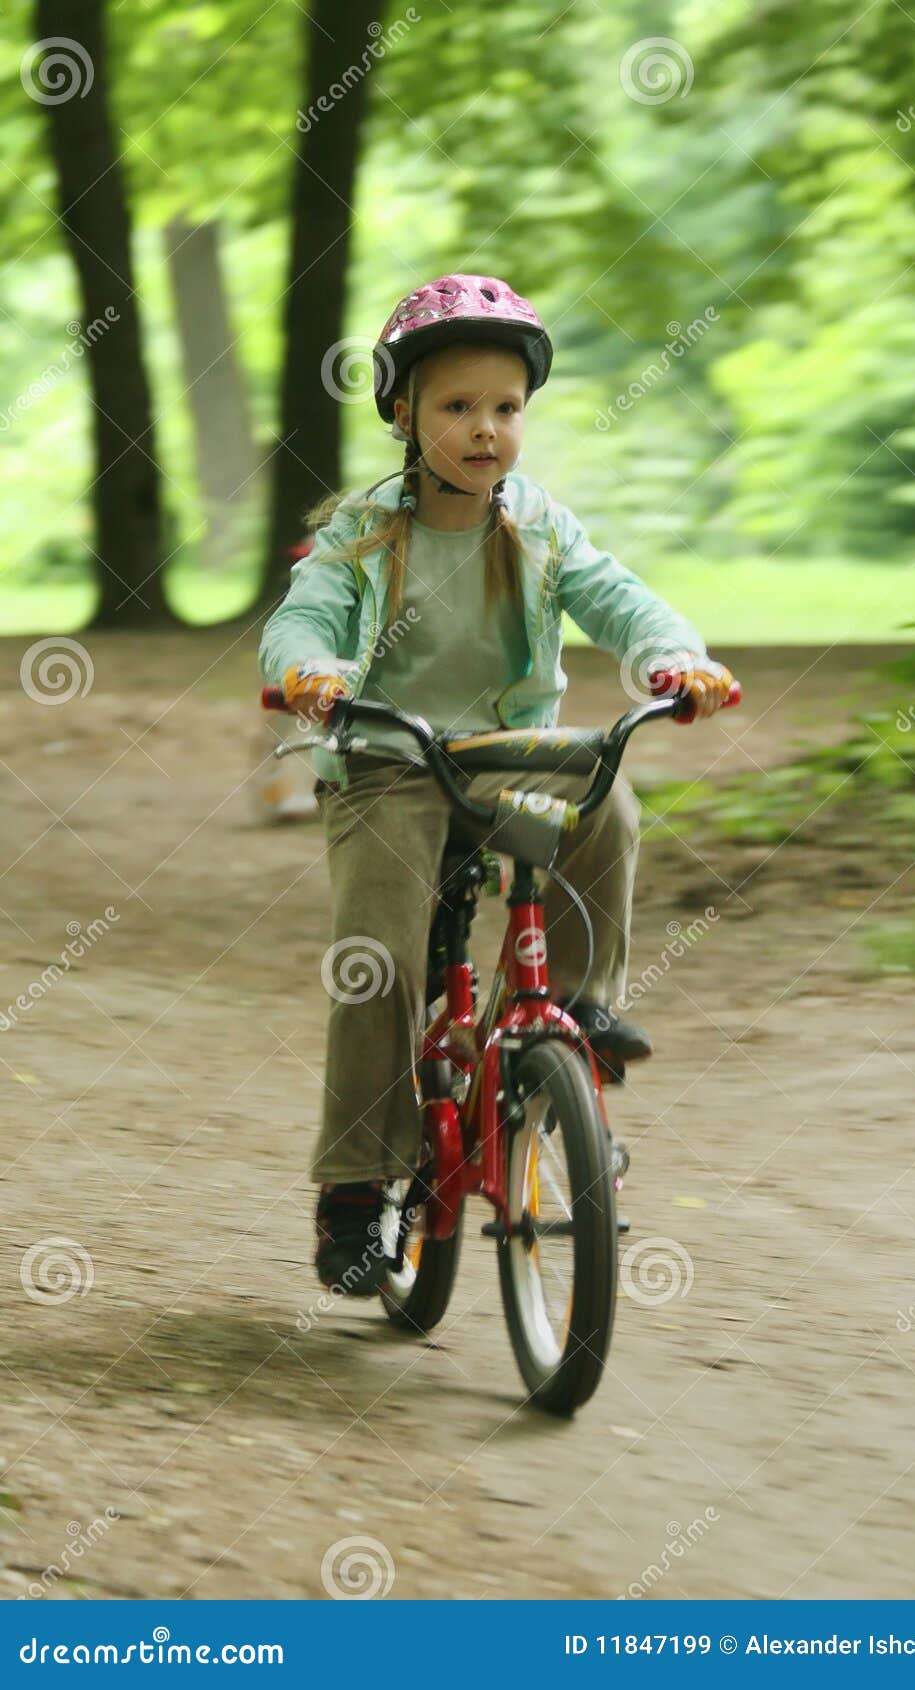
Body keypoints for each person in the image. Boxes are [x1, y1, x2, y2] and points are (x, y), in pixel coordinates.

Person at [258, 273, 733, 1294]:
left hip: (507, 750)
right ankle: (354, 1185)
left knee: (603, 794)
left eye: (506, 408)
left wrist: (672, 660)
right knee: (377, 962)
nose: (485, 429)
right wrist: (311, 672)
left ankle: (576, 1005)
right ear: (402, 412)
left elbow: (621, 598)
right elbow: (299, 618)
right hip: (391, 763)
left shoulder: (541, 525)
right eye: (457, 406)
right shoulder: (361, 531)